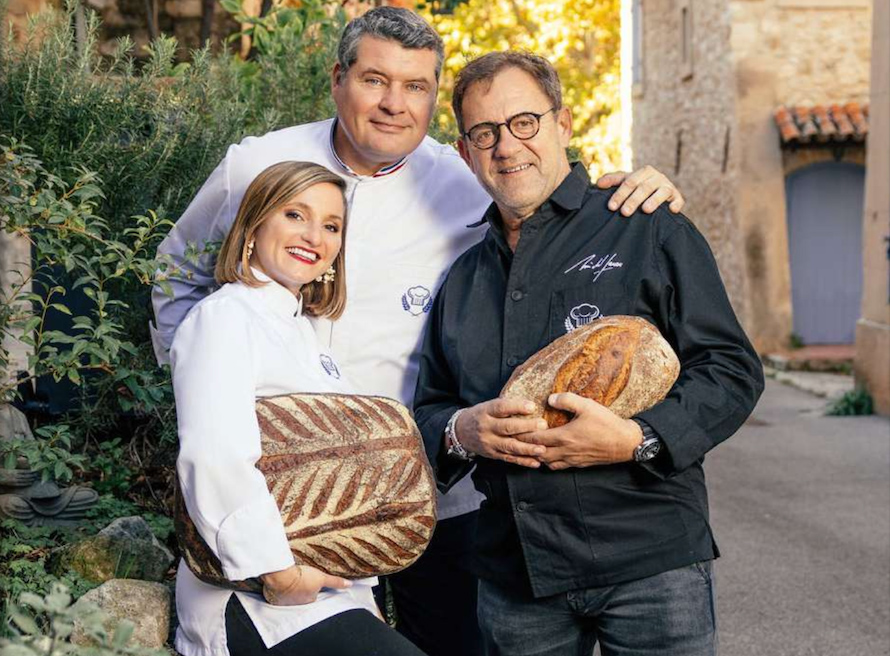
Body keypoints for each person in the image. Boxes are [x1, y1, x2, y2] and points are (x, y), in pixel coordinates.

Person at [152, 8, 686, 655]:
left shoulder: (466, 177)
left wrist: (630, 188)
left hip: (441, 488)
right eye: (375, 80)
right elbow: (177, 270)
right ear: (338, 79)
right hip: (290, 500)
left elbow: (542, 187)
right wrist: (208, 380)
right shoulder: (257, 165)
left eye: (417, 87)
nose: (393, 104)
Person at [413, 52, 765, 656]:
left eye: (524, 122)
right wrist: (462, 430)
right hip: (515, 577)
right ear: (466, 151)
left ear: (563, 124)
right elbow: (430, 410)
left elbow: (731, 369)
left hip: (651, 565)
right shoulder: (464, 279)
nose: (507, 147)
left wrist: (638, 438)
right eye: (484, 133)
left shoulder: (645, 224)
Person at [172, 160, 426, 656]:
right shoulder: (225, 317)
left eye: (331, 226)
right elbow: (214, 454)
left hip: (324, 592)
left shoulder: (308, 337)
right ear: (254, 225)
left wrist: (362, 593)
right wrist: (279, 573)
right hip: (255, 596)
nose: (314, 235)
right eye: (295, 214)